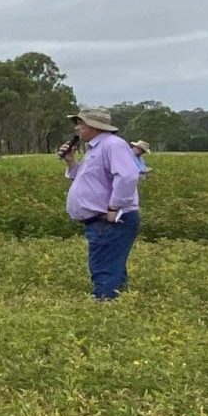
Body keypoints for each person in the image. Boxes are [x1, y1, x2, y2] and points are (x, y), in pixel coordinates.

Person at [59, 108, 142, 301]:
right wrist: (71, 163)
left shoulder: (113, 145)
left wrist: (115, 207)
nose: (77, 128)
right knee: (112, 265)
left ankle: (104, 306)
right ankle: (119, 304)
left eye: (80, 123)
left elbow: (128, 176)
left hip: (110, 219)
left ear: (93, 126)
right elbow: (91, 180)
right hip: (101, 221)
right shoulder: (96, 148)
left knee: (104, 267)